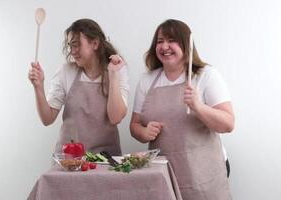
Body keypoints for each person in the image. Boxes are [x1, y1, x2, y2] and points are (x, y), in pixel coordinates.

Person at [130, 19, 234, 199]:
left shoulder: (206, 76)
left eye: (172, 40)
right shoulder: (147, 80)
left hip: (204, 172)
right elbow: (134, 125)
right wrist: (144, 132)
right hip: (164, 173)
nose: (165, 46)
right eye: (160, 41)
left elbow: (228, 124)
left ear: (187, 45)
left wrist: (198, 106)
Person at [28, 19, 129, 156]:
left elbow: (116, 117)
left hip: (106, 160)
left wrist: (113, 74)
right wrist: (38, 87)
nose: (73, 51)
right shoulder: (66, 71)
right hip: (69, 160)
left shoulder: (117, 70)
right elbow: (47, 118)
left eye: (76, 45)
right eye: (70, 46)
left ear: (95, 43)